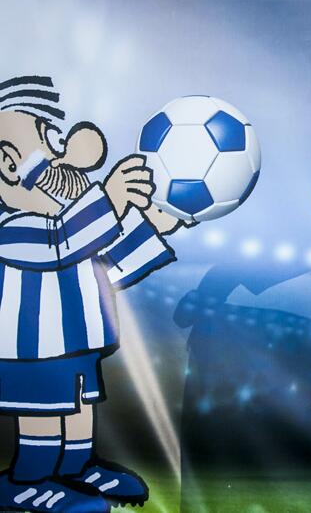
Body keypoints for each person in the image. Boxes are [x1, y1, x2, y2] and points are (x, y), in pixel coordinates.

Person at [0, 76, 183, 513]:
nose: (66, 160)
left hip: (75, 341)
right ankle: (28, 480)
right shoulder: (13, 226)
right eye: (47, 144)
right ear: (8, 165)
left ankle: (75, 468)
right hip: (33, 348)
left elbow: (107, 266)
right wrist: (111, 200)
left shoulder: (70, 223)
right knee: (44, 412)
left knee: (78, 407)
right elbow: (60, 243)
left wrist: (151, 226)